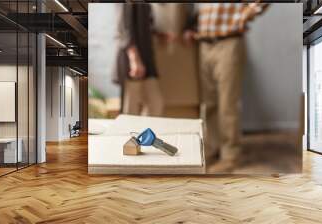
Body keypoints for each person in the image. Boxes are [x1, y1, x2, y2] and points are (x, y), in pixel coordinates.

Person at [184, 3, 268, 172]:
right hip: (203, 45)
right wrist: (192, 26)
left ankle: (230, 156)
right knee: (208, 104)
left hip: (229, 42)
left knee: (227, 104)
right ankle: (213, 149)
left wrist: (246, 14)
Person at [114, 3, 164, 116]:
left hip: (146, 57)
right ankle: (130, 133)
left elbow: (146, 24)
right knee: (131, 107)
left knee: (155, 103)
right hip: (132, 58)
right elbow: (124, 28)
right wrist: (134, 59)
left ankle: (145, 133)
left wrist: (159, 34)